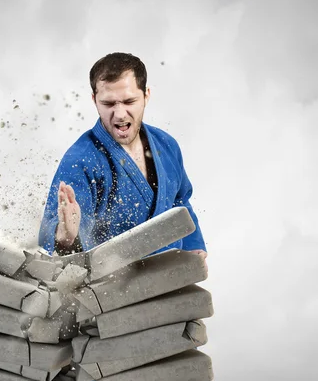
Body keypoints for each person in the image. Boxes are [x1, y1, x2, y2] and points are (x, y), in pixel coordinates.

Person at [38, 52, 207, 262]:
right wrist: (65, 237)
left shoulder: (167, 145)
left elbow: (179, 201)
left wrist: (193, 247)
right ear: (94, 100)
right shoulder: (81, 160)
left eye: (129, 101)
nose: (119, 114)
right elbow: (60, 226)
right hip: (113, 286)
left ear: (146, 95)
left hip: (172, 278)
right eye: (108, 104)